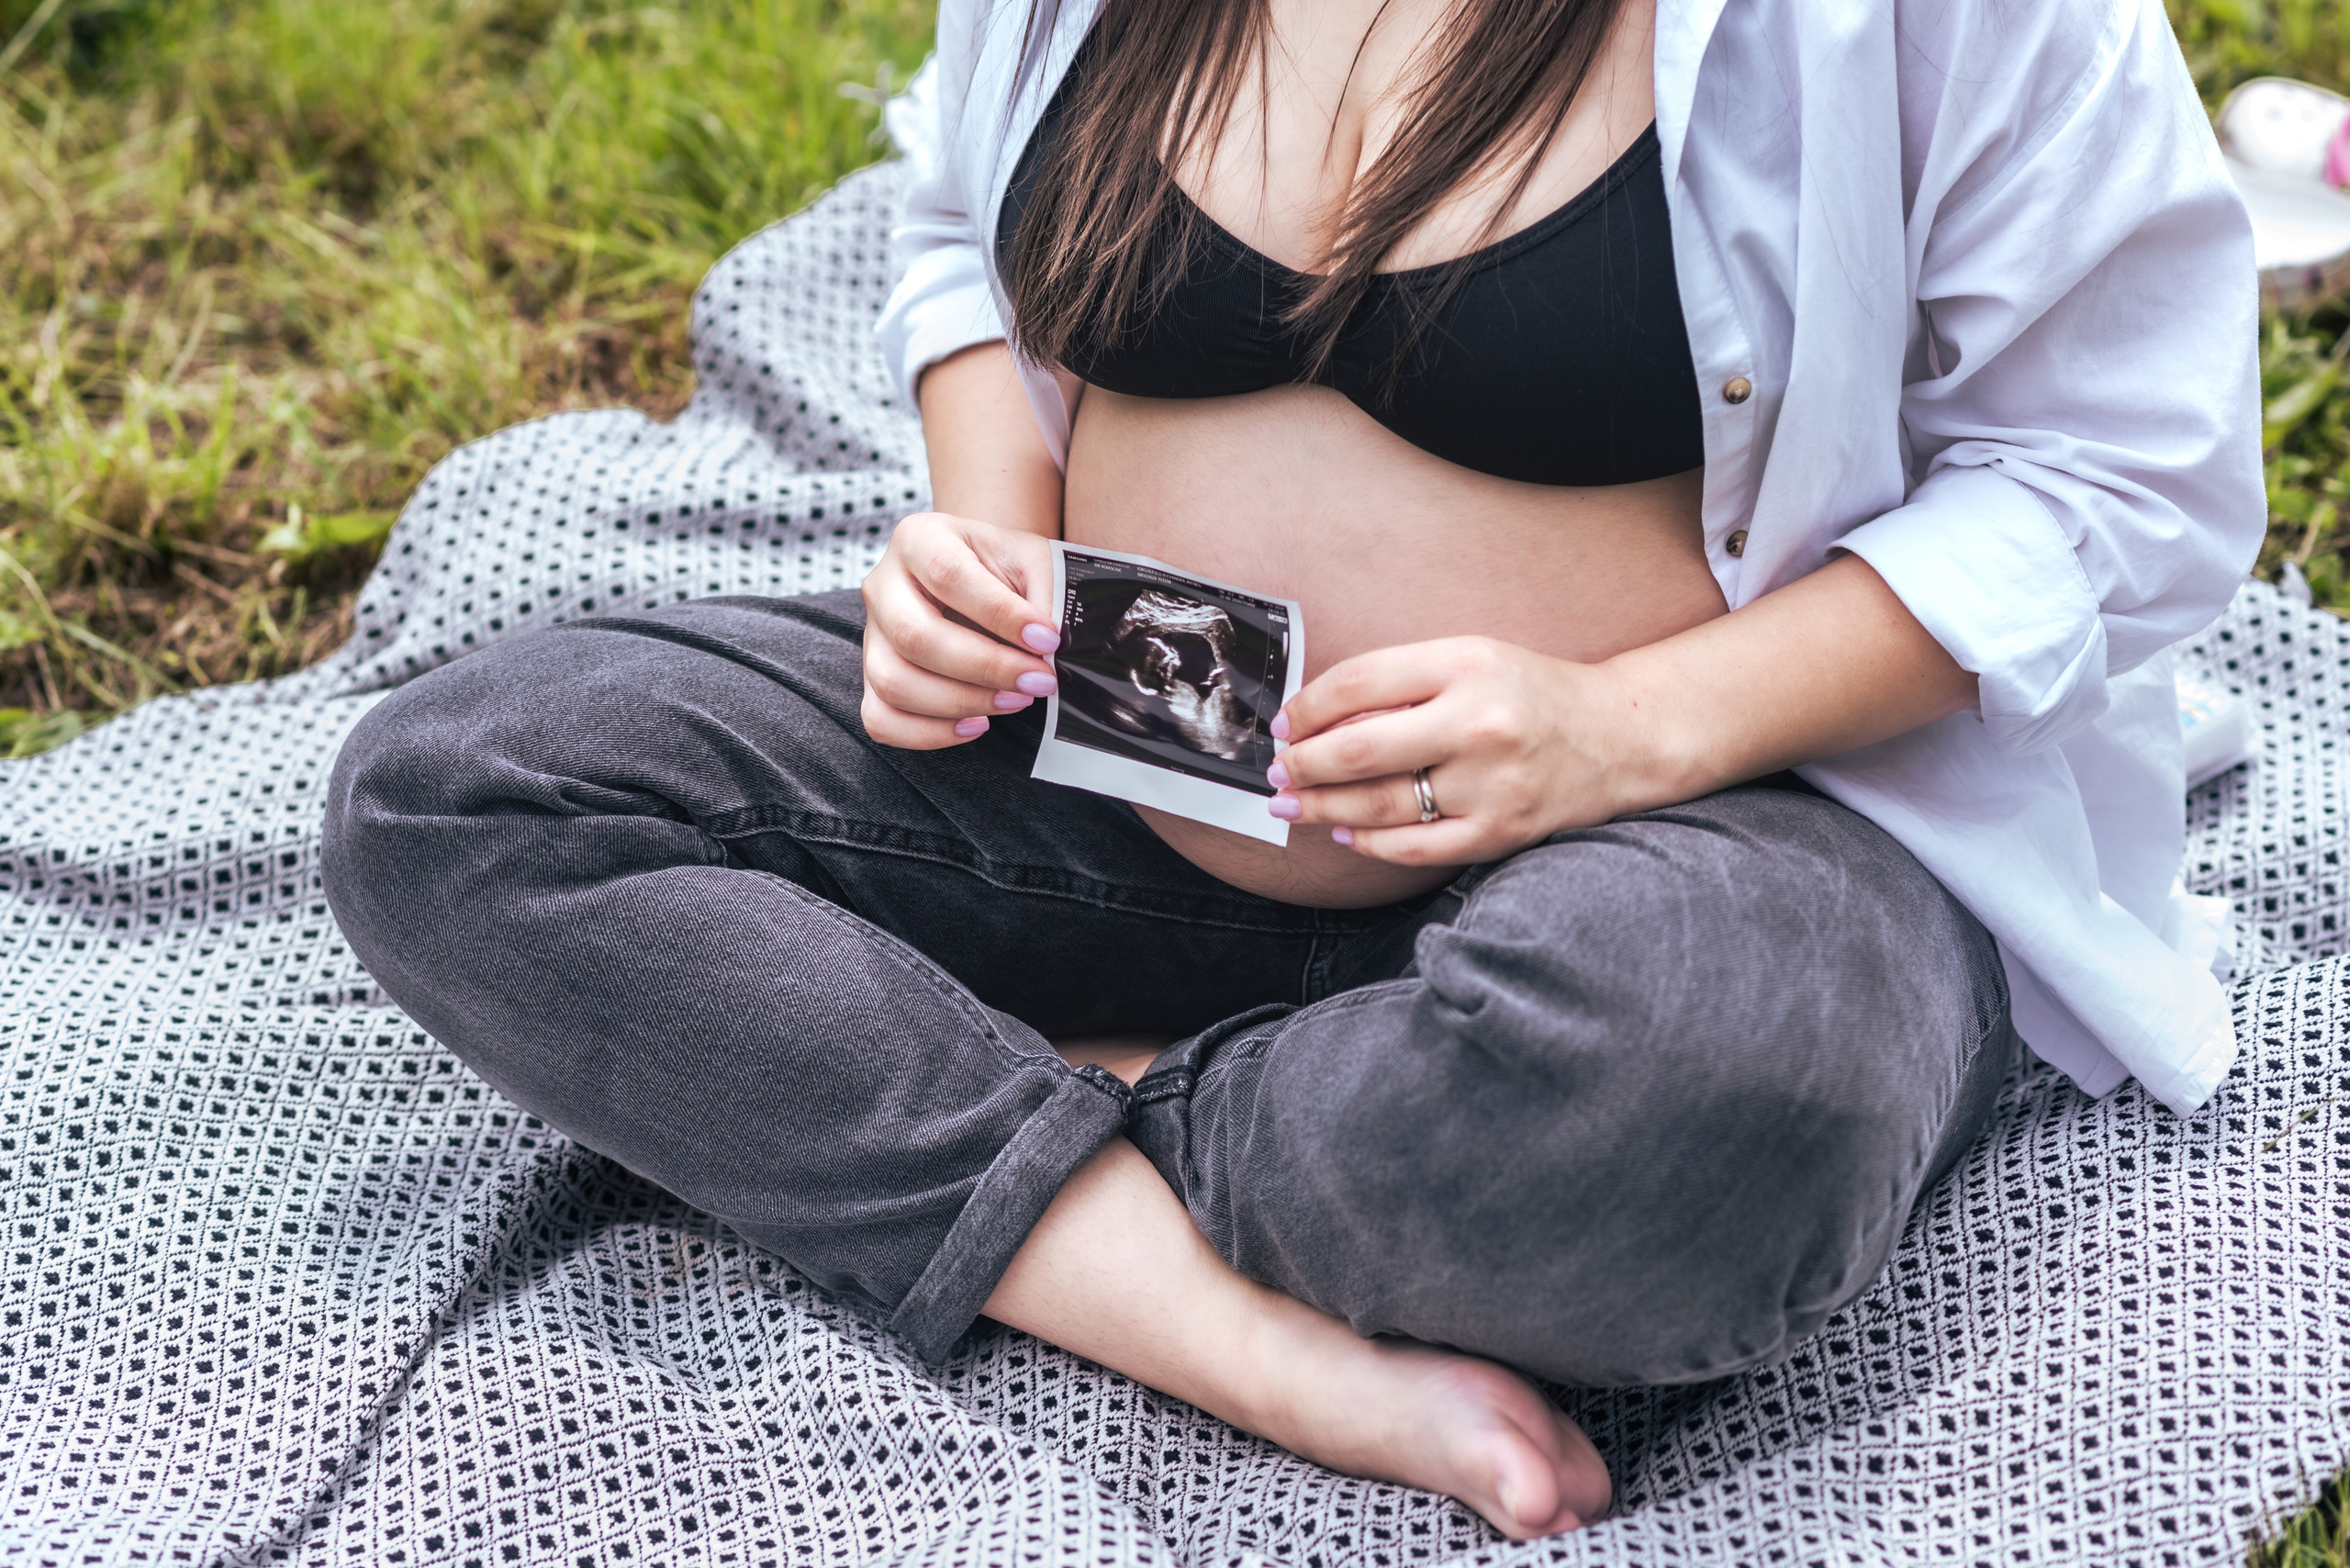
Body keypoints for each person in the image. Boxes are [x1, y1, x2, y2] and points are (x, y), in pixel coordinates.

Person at [320, 0, 2262, 1538]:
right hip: (1125, 739)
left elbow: (2120, 476)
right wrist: (987, 544)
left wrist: (1629, 727)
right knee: (465, 792)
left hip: (1700, 810)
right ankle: (1200, 1301)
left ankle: (975, 1079)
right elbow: (956, 234)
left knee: (1728, 1096)